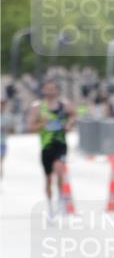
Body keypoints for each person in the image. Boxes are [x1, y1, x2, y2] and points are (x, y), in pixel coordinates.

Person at [27, 79, 76, 217]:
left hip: (60, 144)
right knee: (48, 178)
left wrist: (69, 124)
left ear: (57, 90)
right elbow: (30, 127)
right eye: (47, 89)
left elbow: (73, 114)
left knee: (60, 169)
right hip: (46, 146)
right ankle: (50, 206)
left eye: (53, 89)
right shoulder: (37, 107)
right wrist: (42, 124)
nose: (50, 92)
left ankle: (61, 200)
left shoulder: (64, 105)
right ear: (43, 90)